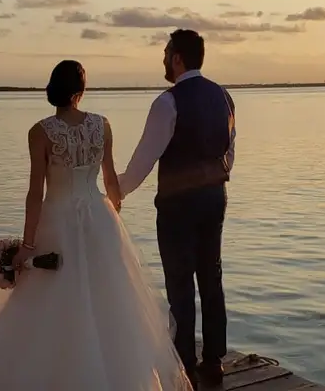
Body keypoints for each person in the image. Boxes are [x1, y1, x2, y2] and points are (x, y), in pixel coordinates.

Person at [0, 60, 193, 391]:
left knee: (47, 299)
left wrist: (28, 246)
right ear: (80, 90)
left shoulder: (41, 131)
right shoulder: (102, 126)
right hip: (98, 218)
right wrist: (113, 209)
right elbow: (110, 180)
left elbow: (35, 192)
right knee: (108, 301)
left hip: (57, 219)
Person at [118, 29, 236, 389]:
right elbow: (229, 151)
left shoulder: (167, 103)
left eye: (166, 52)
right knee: (211, 276)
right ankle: (214, 359)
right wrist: (217, 177)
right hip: (215, 197)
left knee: (180, 281)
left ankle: (184, 360)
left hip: (177, 205)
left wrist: (113, 192)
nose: (163, 58)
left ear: (178, 58)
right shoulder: (224, 96)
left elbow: (143, 160)